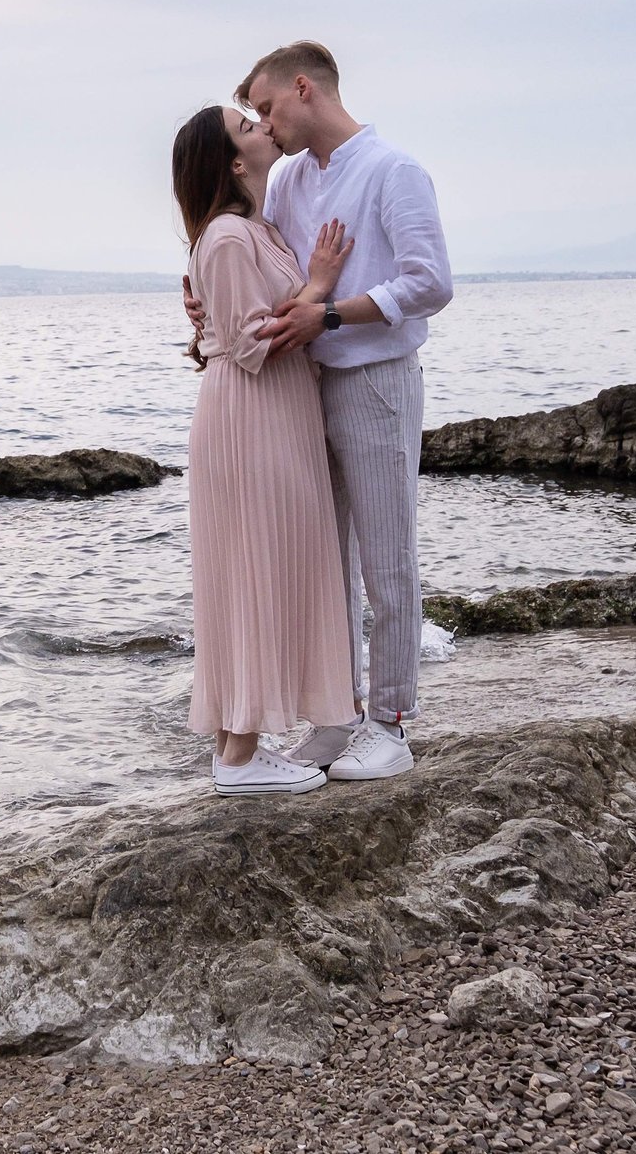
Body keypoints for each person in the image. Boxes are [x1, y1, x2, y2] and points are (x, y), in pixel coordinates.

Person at [207, 40, 453, 782]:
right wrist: (208, 301)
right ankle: (336, 716)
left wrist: (335, 316)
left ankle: (393, 724)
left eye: (268, 106)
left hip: (375, 379)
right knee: (325, 565)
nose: (264, 123)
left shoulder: (393, 170)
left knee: (387, 559)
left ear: (305, 89)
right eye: (254, 115)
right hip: (302, 388)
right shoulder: (286, 185)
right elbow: (268, 268)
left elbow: (431, 281)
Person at [171, 104, 360, 796]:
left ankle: (239, 747)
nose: (259, 125)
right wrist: (319, 284)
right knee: (250, 573)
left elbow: (231, 322)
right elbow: (252, 342)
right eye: (245, 125)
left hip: (276, 412)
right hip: (250, 415)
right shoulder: (227, 236)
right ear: (232, 161)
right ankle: (240, 754)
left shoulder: (255, 230)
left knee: (264, 570)